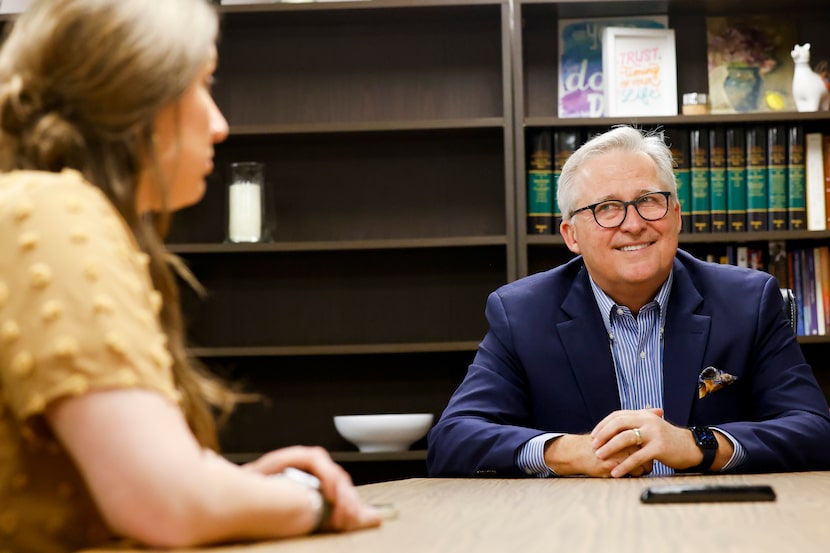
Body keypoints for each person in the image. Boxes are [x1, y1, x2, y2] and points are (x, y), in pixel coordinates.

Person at [0, 1, 381, 551]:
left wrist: (234, 491)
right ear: (132, 98)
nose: (220, 124)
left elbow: (131, 494)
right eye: (201, 85)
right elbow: (166, 505)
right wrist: (314, 501)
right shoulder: (52, 209)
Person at [427, 125, 830, 479]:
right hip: (579, 531)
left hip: (719, 522)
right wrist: (572, 452)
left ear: (676, 215)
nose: (633, 224)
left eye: (649, 201)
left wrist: (698, 444)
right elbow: (453, 439)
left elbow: (815, 430)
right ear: (571, 236)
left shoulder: (749, 301)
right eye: (606, 208)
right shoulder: (521, 313)